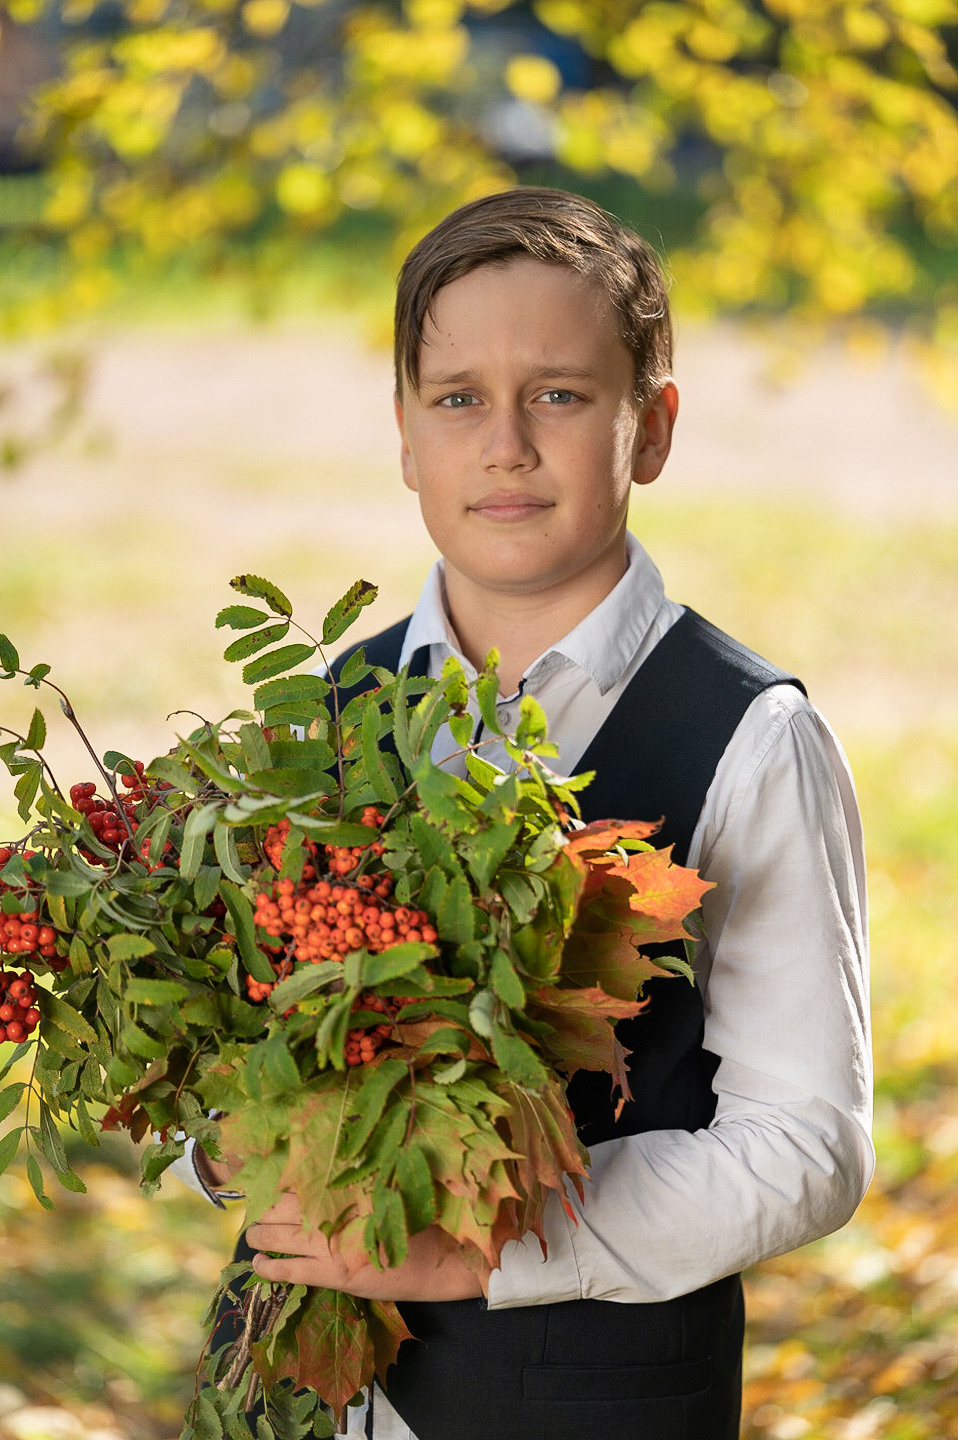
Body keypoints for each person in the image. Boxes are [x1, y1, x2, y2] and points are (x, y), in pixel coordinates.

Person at [177, 187, 873, 1440]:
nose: (504, 444)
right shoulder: (328, 707)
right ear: (403, 435)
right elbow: (227, 1041)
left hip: (588, 1401)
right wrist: (224, 1145)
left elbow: (803, 1149)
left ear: (649, 428)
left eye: (558, 393)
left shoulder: (752, 739)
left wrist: (491, 1244)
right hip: (294, 1393)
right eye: (457, 398)